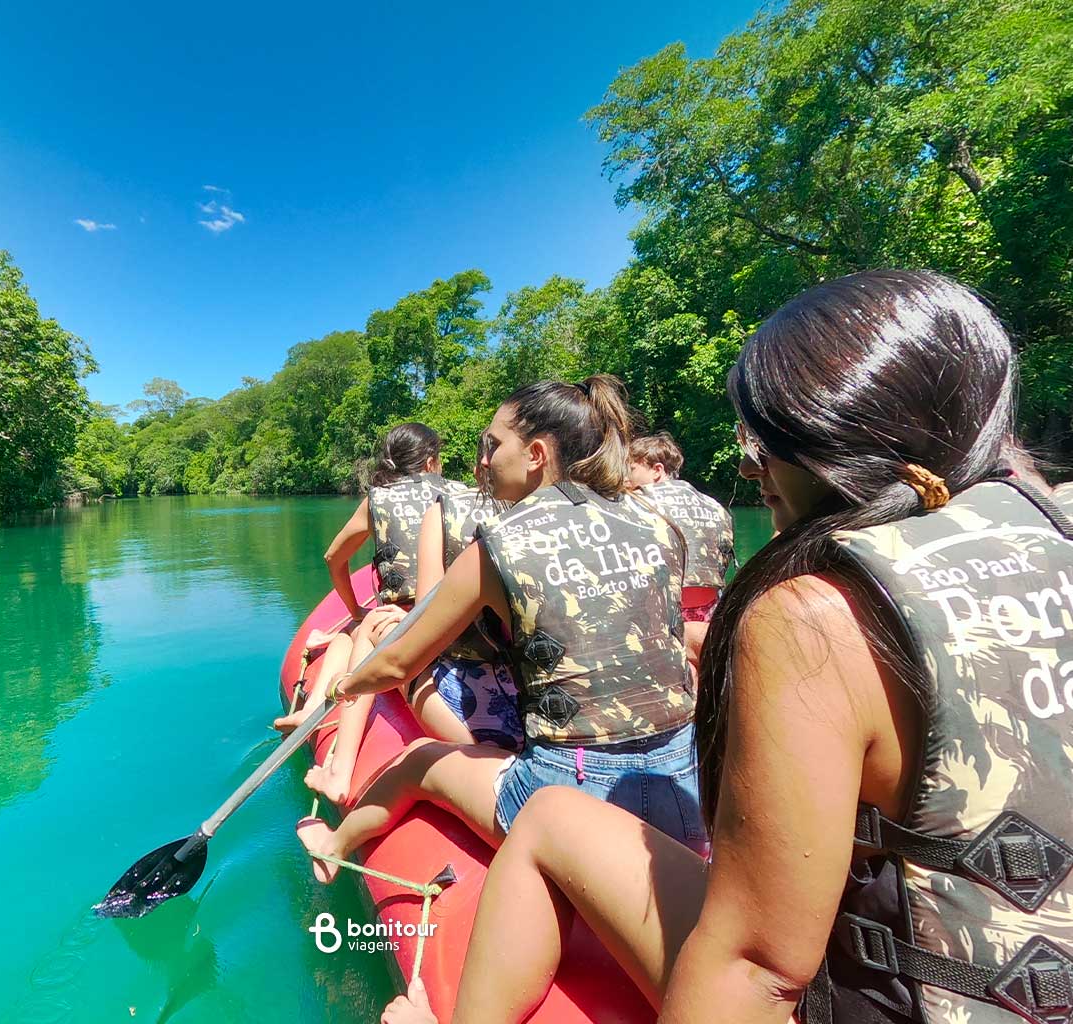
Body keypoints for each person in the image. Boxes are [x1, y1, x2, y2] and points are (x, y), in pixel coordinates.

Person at [380, 269, 1073, 1024]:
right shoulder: (1054, 525)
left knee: (548, 813)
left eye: (759, 445)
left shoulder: (813, 618)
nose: (750, 469)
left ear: (827, 447)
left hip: (896, 1003)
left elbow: (760, 966)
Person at [297, 374, 703, 890]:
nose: (484, 459)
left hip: (570, 793)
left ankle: (332, 847)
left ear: (535, 453)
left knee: (419, 760)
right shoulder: (658, 524)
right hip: (683, 781)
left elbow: (402, 660)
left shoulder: (499, 544)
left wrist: (344, 686)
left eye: (493, 445)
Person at [279, 422, 467, 803]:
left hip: (403, 625)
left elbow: (334, 557)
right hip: (461, 624)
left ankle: (339, 767)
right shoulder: (463, 493)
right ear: (433, 461)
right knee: (354, 634)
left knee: (360, 633)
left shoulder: (379, 498)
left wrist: (354, 609)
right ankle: (316, 712)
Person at [406, 435, 522, 750]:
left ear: (477, 470)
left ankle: (474, 751)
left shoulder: (443, 511)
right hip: (552, 700)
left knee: (384, 635)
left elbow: (425, 624)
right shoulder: (564, 516)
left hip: (473, 689)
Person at [629, 432, 734, 622]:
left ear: (656, 470)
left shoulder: (635, 502)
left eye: (631, 469)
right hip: (710, 610)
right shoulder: (715, 505)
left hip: (664, 613)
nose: (624, 478)